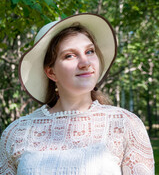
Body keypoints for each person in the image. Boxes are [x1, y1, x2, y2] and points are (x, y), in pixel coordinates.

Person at [0, 13, 154, 175]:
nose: (85, 62)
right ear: (51, 72)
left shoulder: (125, 125)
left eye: (89, 51)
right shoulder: (17, 132)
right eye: (70, 55)